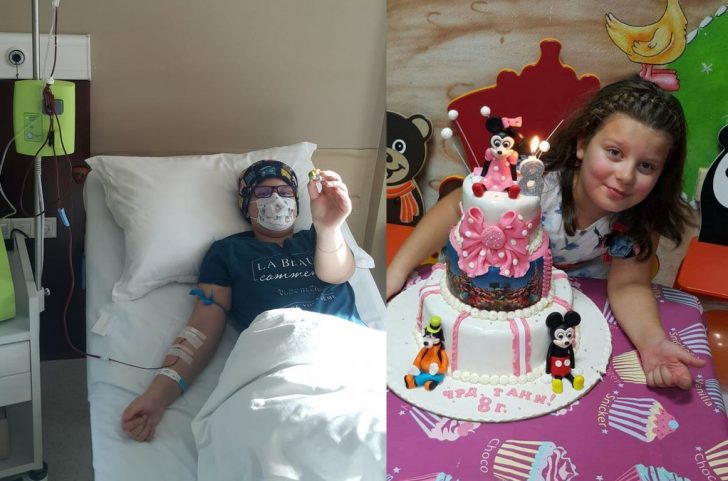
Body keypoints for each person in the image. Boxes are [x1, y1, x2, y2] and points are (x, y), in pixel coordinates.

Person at [387, 77, 706, 390]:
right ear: (583, 144)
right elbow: (455, 206)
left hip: (560, 316)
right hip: (482, 288)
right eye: (614, 152)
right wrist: (397, 270)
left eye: (646, 166)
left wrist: (652, 342)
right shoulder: (534, 185)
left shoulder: (639, 217)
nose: (625, 175)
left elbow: (629, 284)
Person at [122, 159, 363, 442]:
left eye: (286, 192)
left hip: (350, 352)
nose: (276, 199)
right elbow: (202, 328)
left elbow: (337, 275)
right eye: (263, 193)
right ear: (246, 206)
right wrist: (157, 397)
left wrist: (329, 227)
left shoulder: (318, 238)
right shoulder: (228, 252)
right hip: (285, 361)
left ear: (298, 205)